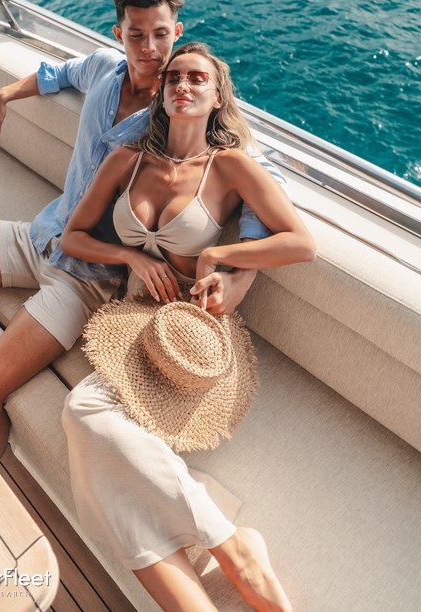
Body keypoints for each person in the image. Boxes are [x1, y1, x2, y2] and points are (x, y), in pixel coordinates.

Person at [0, 0, 287, 464]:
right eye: (136, 35)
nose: (150, 49)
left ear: (177, 31)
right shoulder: (104, 68)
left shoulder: (181, 110)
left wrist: (241, 273)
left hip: (87, 279)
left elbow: (263, 176)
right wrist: (5, 94)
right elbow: (58, 74)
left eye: (161, 34)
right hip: (45, 234)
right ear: (118, 34)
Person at [60, 42, 315, 612]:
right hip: (134, 321)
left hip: (189, 330)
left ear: (217, 96)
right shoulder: (126, 160)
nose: (183, 84)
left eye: (197, 78)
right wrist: (130, 256)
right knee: (98, 445)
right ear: (163, 92)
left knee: (83, 411)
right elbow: (73, 236)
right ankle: (231, 551)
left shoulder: (229, 166)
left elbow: (301, 243)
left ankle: (229, 551)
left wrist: (222, 259)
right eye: (174, 76)